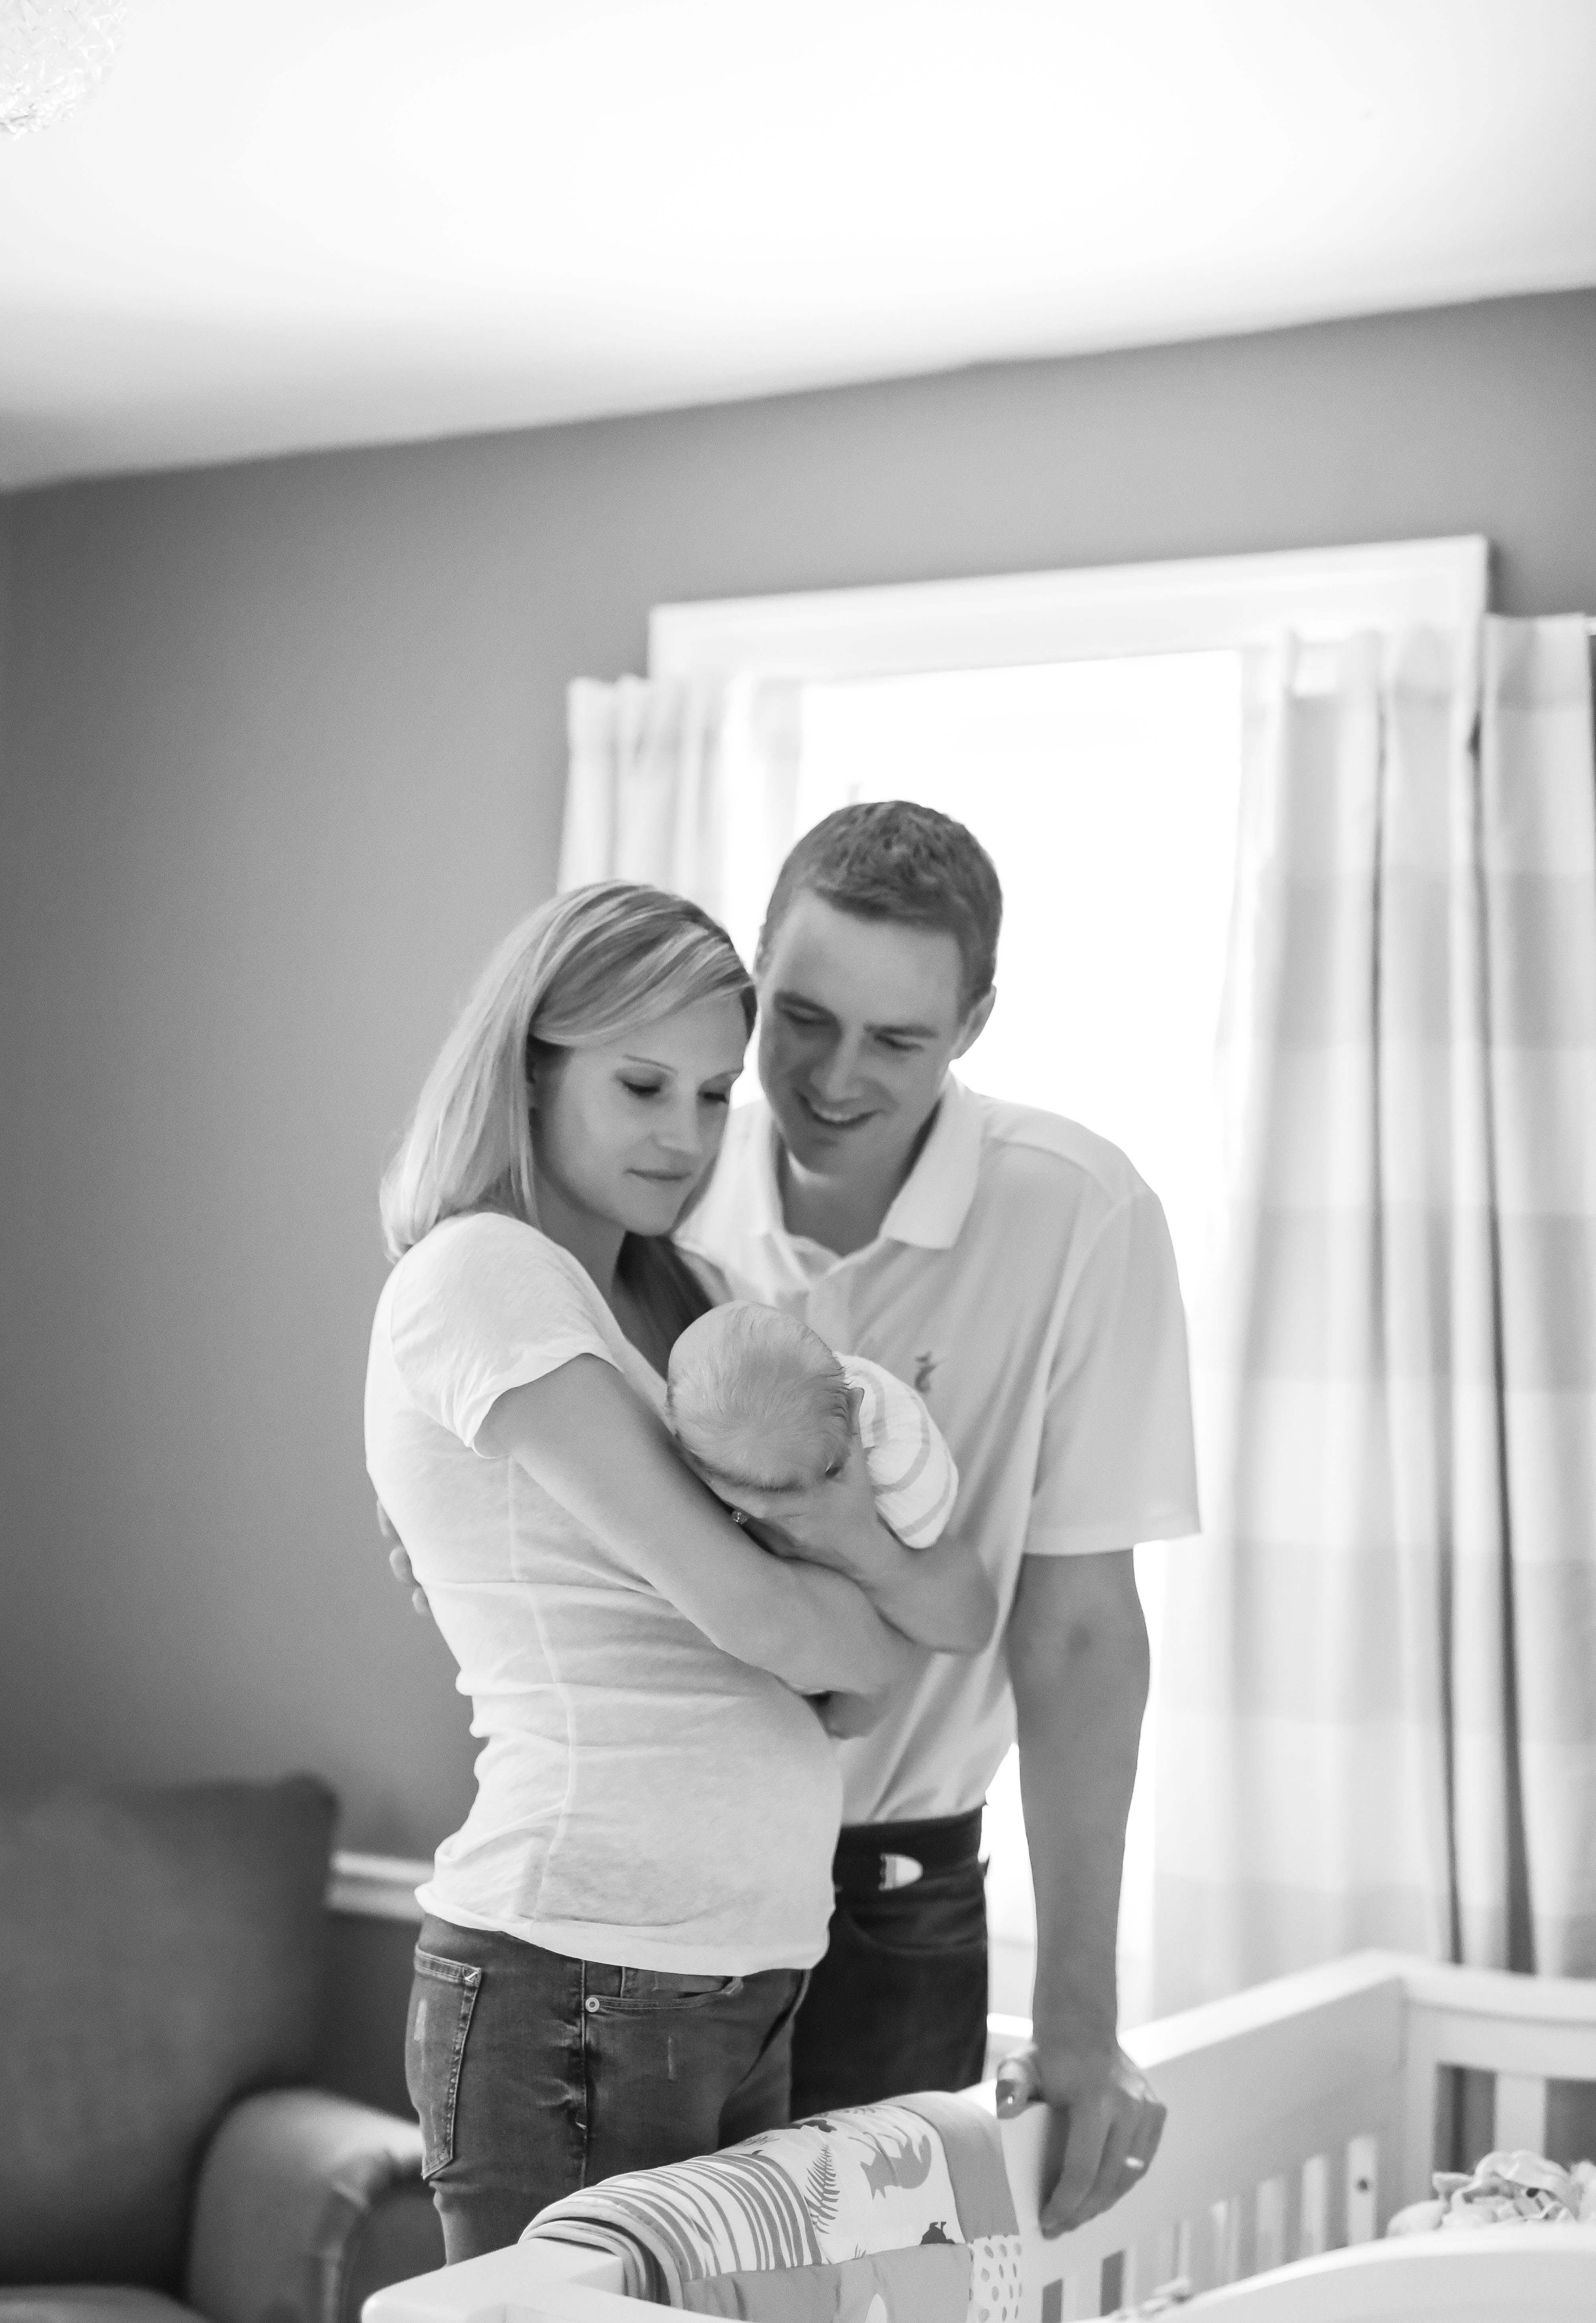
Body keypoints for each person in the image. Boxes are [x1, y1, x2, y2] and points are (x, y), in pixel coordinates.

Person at [364, 880, 994, 2260]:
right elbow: (757, 1611)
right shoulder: (485, 1275)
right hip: (578, 1969)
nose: (684, 1134)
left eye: (714, 1095)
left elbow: (865, 1678)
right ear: (529, 1067)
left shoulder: (695, 1307)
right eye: (642, 1083)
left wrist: (834, 1624)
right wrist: (831, 1620)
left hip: (744, 1968)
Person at [676, 801, 1201, 2238]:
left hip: (893, 1890)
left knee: (869, 2292)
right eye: (800, 1017)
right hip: (644, 1867)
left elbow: (1080, 1625)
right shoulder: (652, 1167)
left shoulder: (1079, 1211)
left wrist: (1083, 2012)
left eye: (898, 1041)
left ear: (974, 1020)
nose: (832, 1079)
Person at [666, 1301, 963, 1551]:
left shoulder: (872, 1418)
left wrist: (736, 1519)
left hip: (912, 1499)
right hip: (926, 1517)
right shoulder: (823, 1385)